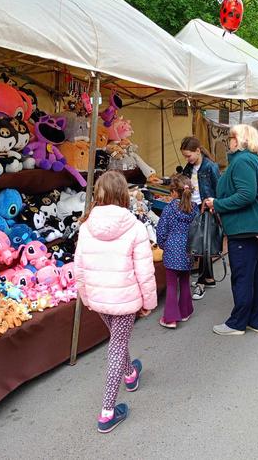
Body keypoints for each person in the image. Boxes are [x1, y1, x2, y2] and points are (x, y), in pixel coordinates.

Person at [74, 171, 157, 433]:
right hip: (124, 297)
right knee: (117, 345)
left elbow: (80, 268)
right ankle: (107, 412)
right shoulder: (134, 226)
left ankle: (130, 374)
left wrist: (86, 297)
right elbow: (145, 270)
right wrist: (149, 302)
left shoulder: (86, 226)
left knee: (117, 339)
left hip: (98, 297)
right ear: (123, 194)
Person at [204, 124, 258, 336]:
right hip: (250, 226)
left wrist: (217, 204)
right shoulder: (249, 159)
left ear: (241, 139)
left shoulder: (243, 160)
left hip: (245, 227)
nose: (229, 140)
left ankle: (237, 323)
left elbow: (246, 194)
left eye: (231, 136)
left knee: (243, 277)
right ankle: (254, 320)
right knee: (252, 276)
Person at [179, 136, 220, 299]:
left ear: (197, 151)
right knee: (200, 244)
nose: (187, 159)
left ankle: (202, 283)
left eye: (188, 156)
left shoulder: (211, 167)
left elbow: (219, 189)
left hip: (206, 209)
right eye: (185, 156)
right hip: (192, 208)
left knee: (204, 246)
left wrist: (214, 205)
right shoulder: (189, 167)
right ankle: (208, 278)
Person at [156, 175, 199, 328]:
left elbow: (161, 230)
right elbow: (197, 230)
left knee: (172, 284)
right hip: (188, 249)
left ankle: (170, 318)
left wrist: (162, 245)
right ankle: (185, 311)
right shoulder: (194, 208)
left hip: (172, 249)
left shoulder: (169, 209)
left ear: (174, 192)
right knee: (185, 281)